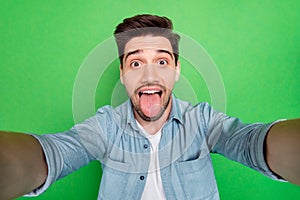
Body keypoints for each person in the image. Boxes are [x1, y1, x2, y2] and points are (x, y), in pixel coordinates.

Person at [0, 14, 299, 200]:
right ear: (122, 73)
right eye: (136, 63)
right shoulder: (105, 126)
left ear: (177, 69)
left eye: (162, 61)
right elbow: (55, 153)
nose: (150, 75)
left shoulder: (203, 121)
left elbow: (249, 142)